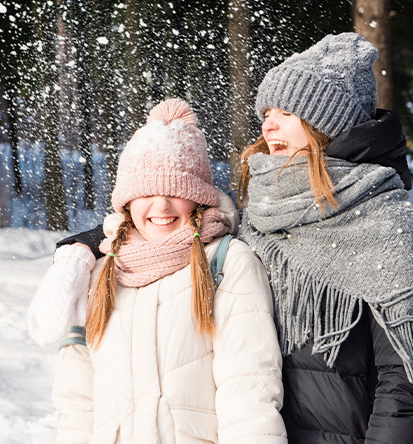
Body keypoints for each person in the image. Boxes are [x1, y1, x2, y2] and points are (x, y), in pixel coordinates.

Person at [28, 98, 288, 444]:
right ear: (127, 202)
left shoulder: (226, 262)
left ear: (198, 197)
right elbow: (78, 403)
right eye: (146, 192)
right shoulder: (100, 271)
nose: (161, 205)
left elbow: (249, 386)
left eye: (176, 191)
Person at [237, 32, 413, 444]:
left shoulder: (386, 222)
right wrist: (103, 238)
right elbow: (173, 225)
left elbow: (406, 378)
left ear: (324, 122)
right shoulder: (258, 213)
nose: (268, 123)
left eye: (285, 111)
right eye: (266, 111)